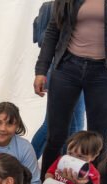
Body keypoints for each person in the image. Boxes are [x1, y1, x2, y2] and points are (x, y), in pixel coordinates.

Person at [35, 0, 107, 175]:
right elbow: (53, 29)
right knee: (55, 135)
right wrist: (41, 70)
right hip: (67, 67)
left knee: (99, 139)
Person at [30, 0, 85, 160]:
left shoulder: (48, 6)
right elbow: (49, 37)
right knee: (72, 126)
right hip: (66, 69)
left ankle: (28, 164)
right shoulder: (62, 6)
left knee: (52, 124)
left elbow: (40, 39)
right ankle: (31, 165)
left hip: (56, 68)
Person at [38, 130, 103, 184]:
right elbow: (49, 173)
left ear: (93, 156)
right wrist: (50, 182)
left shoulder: (93, 174)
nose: (73, 159)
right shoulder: (61, 160)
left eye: (80, 156)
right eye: (70, 153)